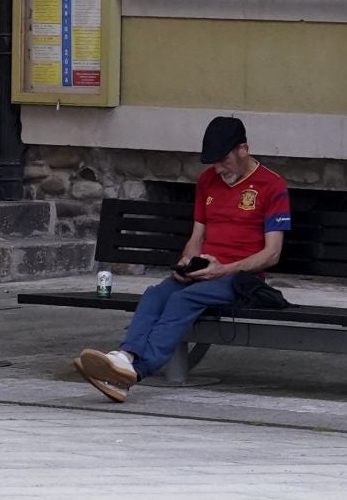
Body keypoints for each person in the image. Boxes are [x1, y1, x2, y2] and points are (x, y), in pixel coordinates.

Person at [74, 115, 290, 402]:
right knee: (156, 294)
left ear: (243, 150)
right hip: (204, 270)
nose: (218, 168)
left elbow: (271, 254)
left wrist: (223, 269)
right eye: (212, 162)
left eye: (223, 160)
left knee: (182, 299)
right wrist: (186, 262)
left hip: (239, 278)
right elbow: (197, 236)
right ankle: (124, 357)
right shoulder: (207, 181)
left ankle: (135, 373)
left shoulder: (272, 186)